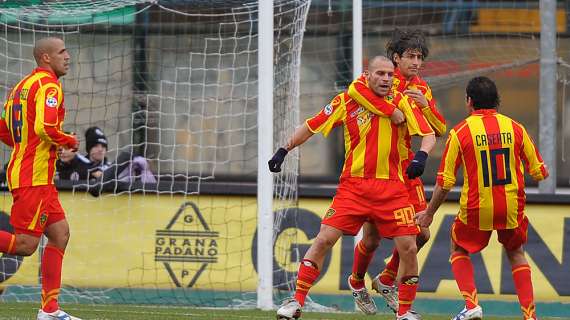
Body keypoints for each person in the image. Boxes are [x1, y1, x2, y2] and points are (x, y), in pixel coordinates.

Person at [271, 56, 436, 320]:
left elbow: (428, 134)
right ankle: (295, 302)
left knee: (410, 246)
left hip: (392, 189)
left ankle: (404, 313)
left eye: (390, 75)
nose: (385, 79)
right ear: (367, 75)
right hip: (353, 188)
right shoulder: (346, 100)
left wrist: (422, 156)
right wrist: (284, 149)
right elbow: (312, 125)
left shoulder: (401, 101)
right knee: (324, 239)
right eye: (380, 74)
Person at [415, 76, 548, 320]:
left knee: (458, 248)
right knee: (516, 252)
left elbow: (445, 182)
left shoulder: (460, 132)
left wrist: (429, 213)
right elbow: (540, 172)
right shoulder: (516, 128)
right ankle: (530, 317)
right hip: (511, 206)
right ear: (497, 101)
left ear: (469, 101)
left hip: (478, 207)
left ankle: (472, 305)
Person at [347, 29, 446, 313]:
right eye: (411, 57)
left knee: (422, 233)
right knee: (372, 237)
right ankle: (356, 281)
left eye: (419, 57)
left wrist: (426, 108)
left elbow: (438, 129)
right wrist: (392, 110)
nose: (416, 62)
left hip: (406, 169)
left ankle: (387, 278)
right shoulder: (382, 79)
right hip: (377, 169)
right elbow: (354, 89)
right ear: (396, 58)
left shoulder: (422, 88)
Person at [0, 37, 81, 320]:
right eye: (62, 51)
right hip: (32, 176)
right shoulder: (49, 85)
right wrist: (68, 139)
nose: (67, 56)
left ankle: (49, 311)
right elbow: (46, 127)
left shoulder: (20, 87)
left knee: (60, 234)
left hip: (33, 173)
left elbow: (3, 129)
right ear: (46, 58)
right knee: (26, 245)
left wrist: (27, 145)